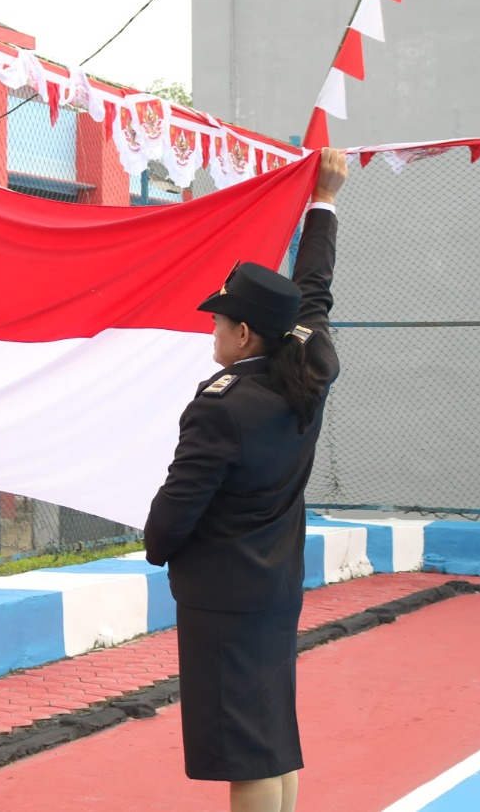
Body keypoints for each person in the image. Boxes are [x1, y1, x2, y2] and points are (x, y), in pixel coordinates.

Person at [142, 148, 348, 812]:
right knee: (271, 735)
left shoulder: (222, 407)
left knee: (246, 747)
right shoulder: (309, 370)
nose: (214, 326)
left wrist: (156, 542)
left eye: (221, 318)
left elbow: (175, 511)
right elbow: (314, 290)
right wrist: (326, 199)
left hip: (224, 599)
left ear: (245, 333)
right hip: (273, 586)